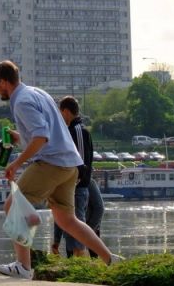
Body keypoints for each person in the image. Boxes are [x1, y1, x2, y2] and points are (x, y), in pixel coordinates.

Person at [0, 60, 122, 280]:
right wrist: (19, 138)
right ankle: (110, 259)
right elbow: (46, 133)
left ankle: (23, 266)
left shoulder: (21, 101)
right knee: (67, 220)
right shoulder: (37, 92)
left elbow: (42, 137)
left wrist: (16, 163)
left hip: (51, 163)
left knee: (13, 205)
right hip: (70, 165)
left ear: (3, 82)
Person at [52, 96, 105, 258]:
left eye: (61, 113)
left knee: (75, 217)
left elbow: (80, 162)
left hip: (78, 183)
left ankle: (85, 241)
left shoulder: (77, 131)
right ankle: (84, 243)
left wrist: (76, 180)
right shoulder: (73, 130)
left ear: (66, 112)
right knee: (71, 217)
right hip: (76, 183)